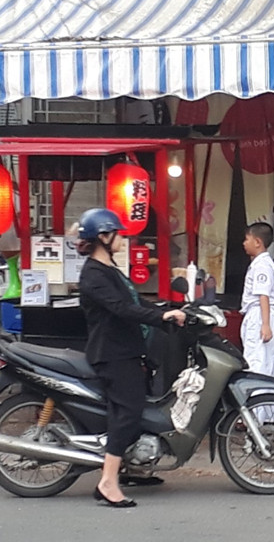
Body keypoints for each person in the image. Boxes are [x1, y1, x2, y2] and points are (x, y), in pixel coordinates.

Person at [77, 208, 186, 508]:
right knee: (128, 412)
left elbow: (134, 302)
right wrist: (161, 316)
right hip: (112, 354)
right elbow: (121, 309)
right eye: (118, 234)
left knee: (138, 408)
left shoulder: (109, 269)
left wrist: (167, 309)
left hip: (127, 350)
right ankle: (107, 481)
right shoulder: (94, 275)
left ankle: (132, 468)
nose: (123, 239)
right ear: (103, 236)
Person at [240, 222, 274, 421]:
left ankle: (255, 420)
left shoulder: (262, 265)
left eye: (247, 239)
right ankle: (270, 416)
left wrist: (265, 325)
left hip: (260, 315)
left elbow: (263, 295)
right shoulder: (266, 264)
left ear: (257, 242)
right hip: (266, 315)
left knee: (257, 366)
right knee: (269, 366)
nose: (244, 243)